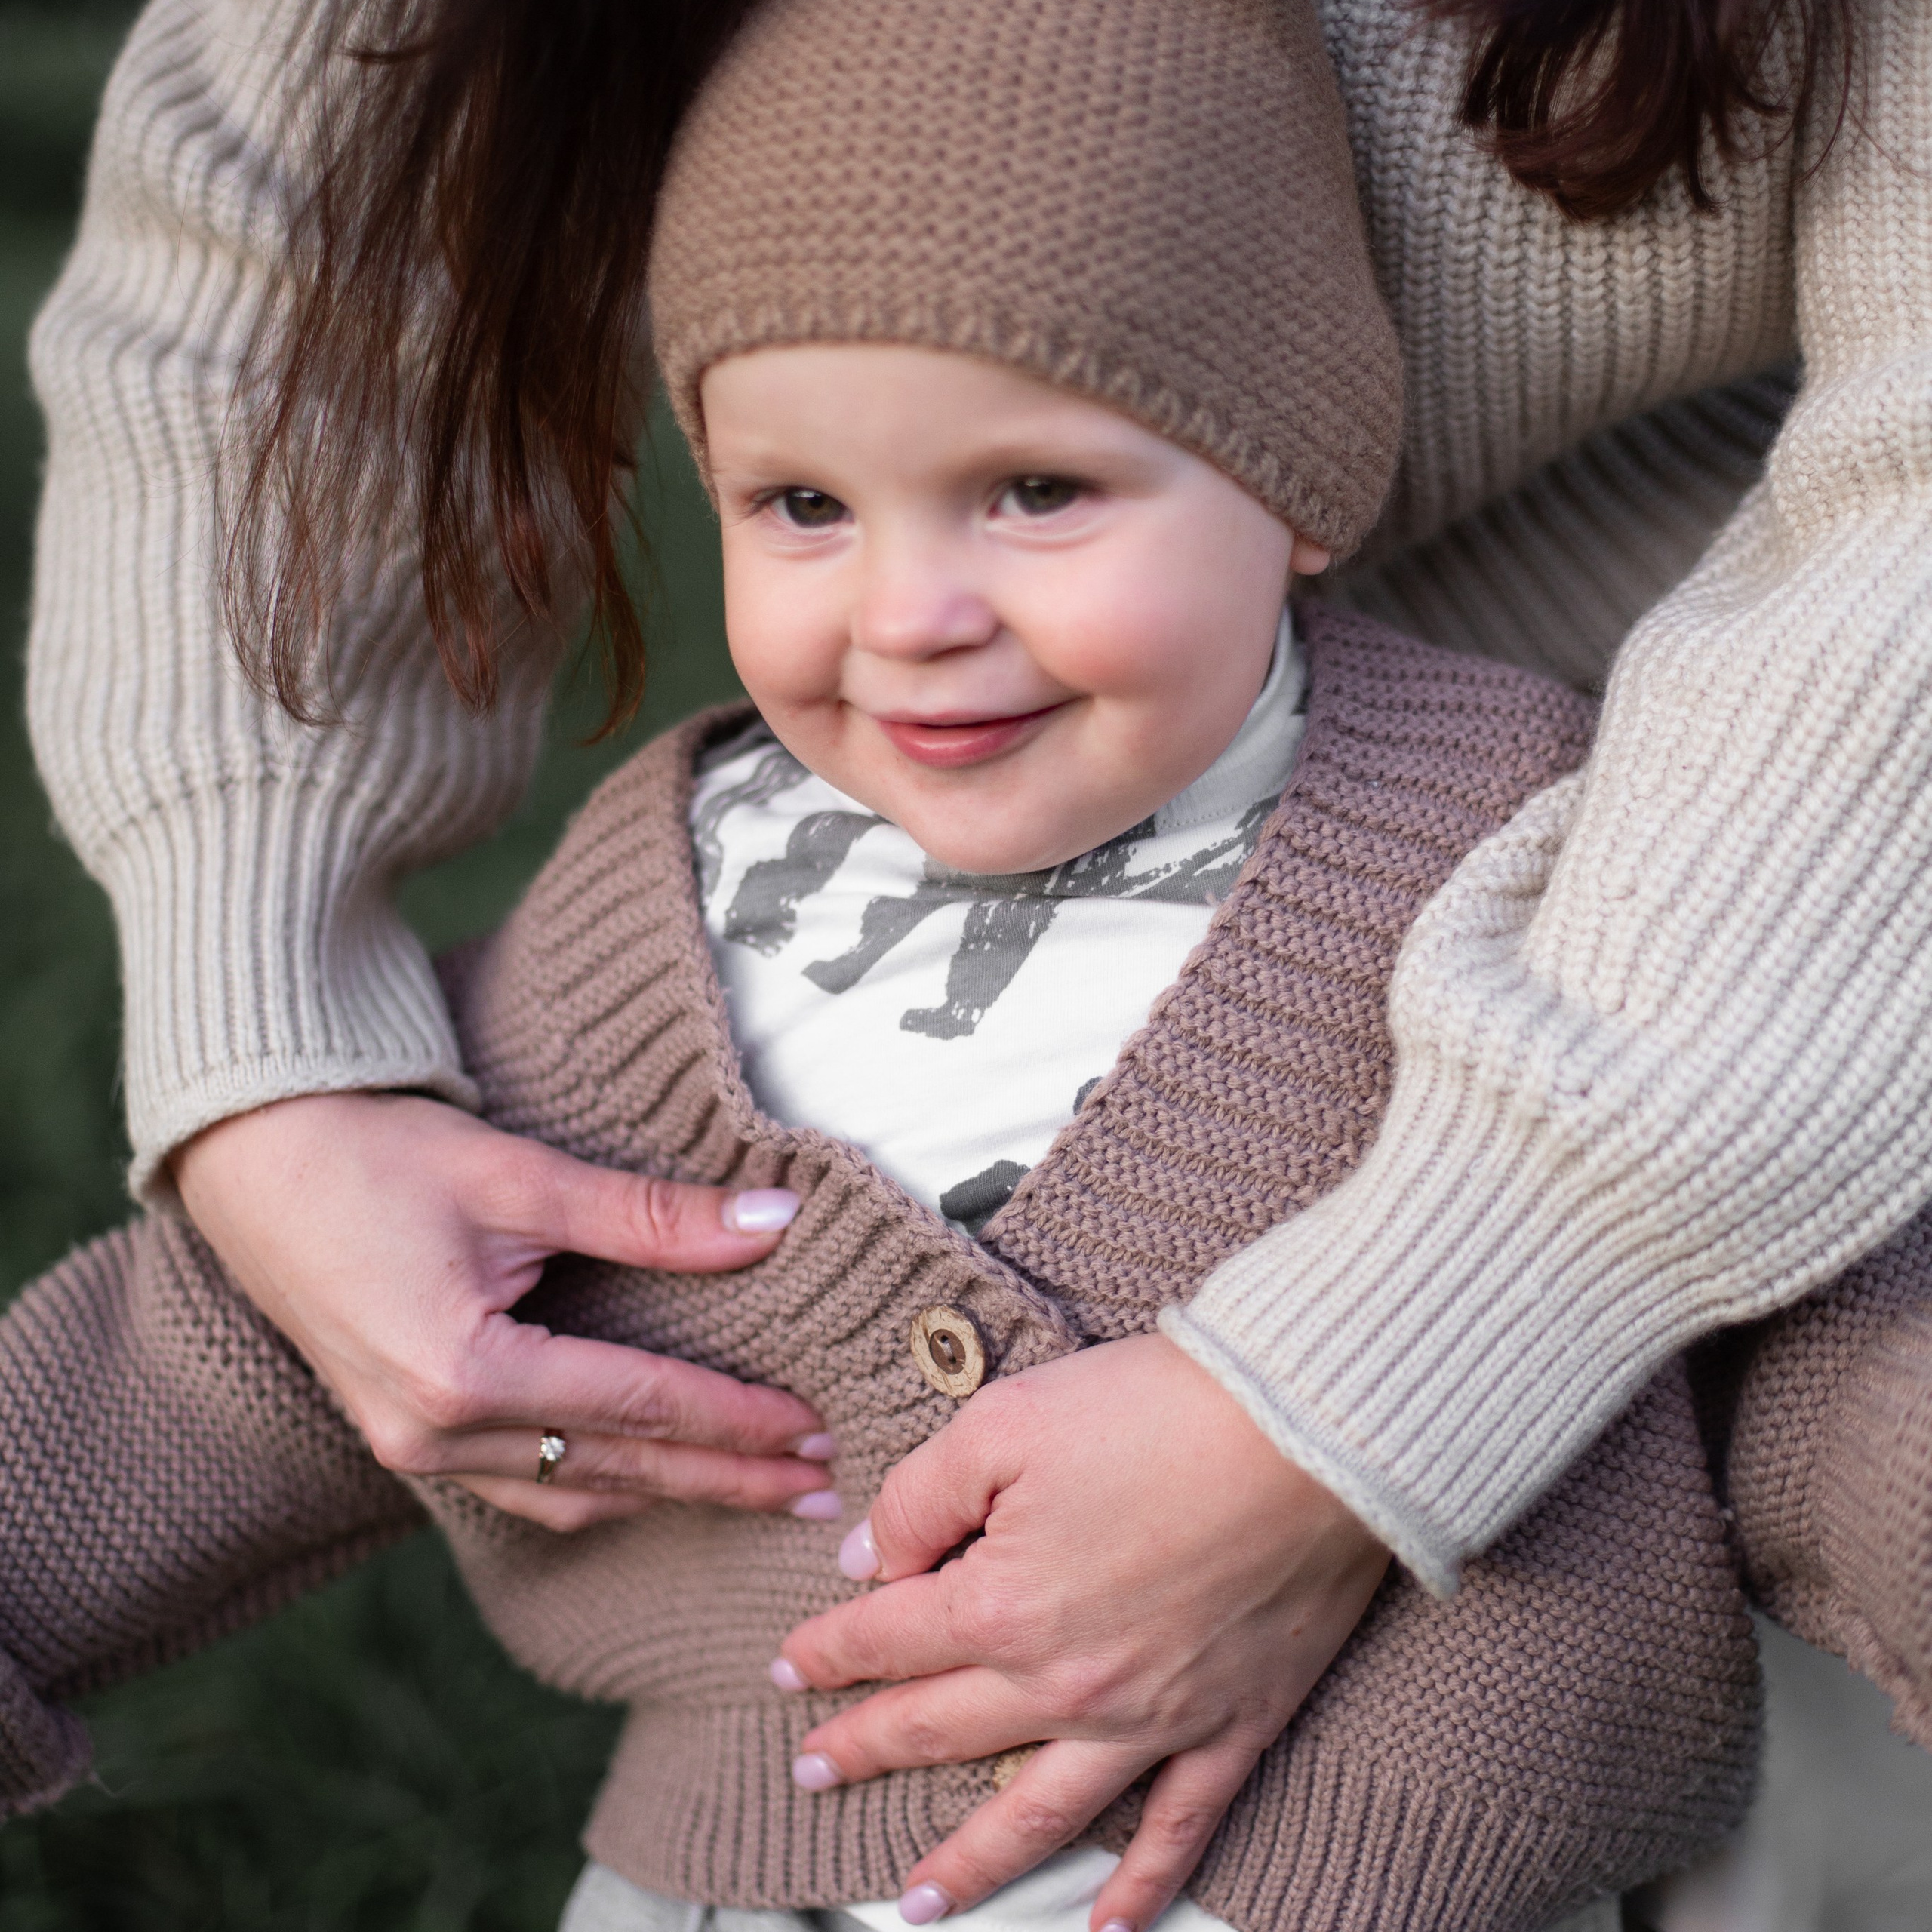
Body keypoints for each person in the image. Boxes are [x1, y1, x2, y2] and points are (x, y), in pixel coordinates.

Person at [20, 0, 1930, 1918]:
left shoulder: (1539, 884)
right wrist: (279, 1090)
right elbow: (208, 1363)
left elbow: (1833, 1362)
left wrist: (1375, 1391)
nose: (912, 613)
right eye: (803, 508)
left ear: (1302, 477)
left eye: (1032, 491)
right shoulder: (669, 930)